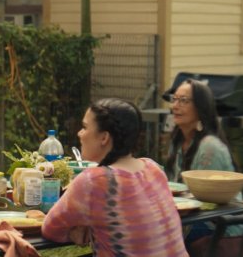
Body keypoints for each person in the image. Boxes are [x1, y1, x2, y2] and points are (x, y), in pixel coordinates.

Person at [42, 98, 187, 256]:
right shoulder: (153, 168)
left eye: (84, 127)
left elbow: (51, 229)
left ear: (104, 138)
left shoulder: (95, 180)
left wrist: (76, 230)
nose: (79, 133)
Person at [164, 78, 241, 244]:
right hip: (193, 217)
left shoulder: (209, 147)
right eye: (174, 99)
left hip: (219, 224)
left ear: (201, 108)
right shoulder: (177, 141)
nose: (175, 106)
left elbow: (211, 204)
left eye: (183, 101)